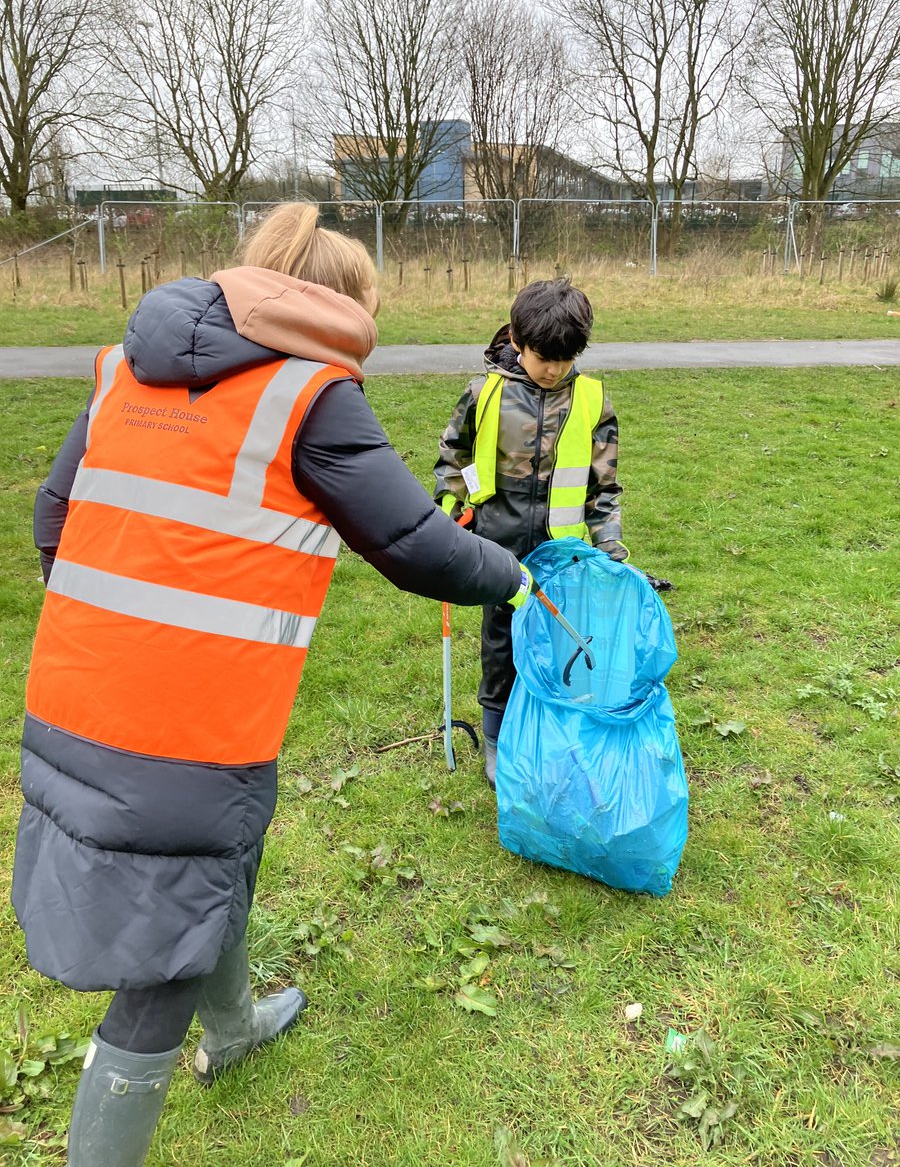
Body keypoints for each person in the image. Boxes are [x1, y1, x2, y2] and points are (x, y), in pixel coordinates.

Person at [11, 202, 533, 1167]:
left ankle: (239, 1023)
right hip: (185, 726)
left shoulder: (124, 368)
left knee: (224, 858)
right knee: (163, 953)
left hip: (73, 690)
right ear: (340, 303)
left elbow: (54, 518)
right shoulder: (310, 395)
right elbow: (416, 544)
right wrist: (516, 575)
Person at [434, 278, 627, 788]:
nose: (554, 369)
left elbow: (603, 487)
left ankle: (553, 727)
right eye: (544, 357)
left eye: (566, 359)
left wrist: (610, 544)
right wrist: (453, 509)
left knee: (559, 641)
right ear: (518, 342)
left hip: (563, 553)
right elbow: (454, 458)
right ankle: (497, 733)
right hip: (497, 546)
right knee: (501, 644)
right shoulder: (485, 393)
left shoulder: (592, 401)